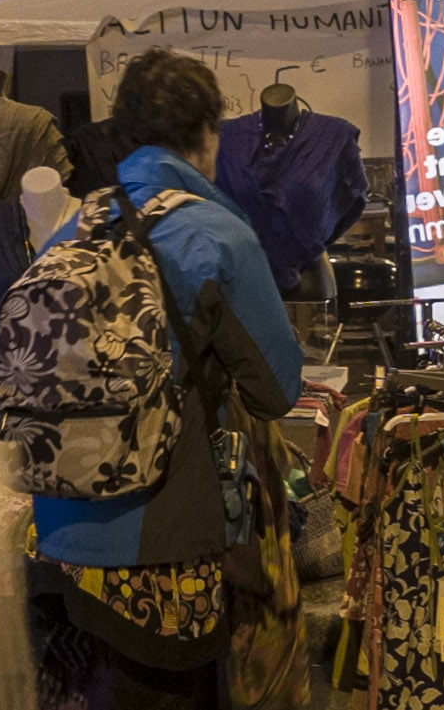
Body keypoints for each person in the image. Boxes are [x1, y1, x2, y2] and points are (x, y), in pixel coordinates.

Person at [15, 49, 304, 709]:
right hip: (161, 545)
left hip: (58, 528)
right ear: (207, 134)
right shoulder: (217, 234)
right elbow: (275, 388)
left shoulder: (74, 225)